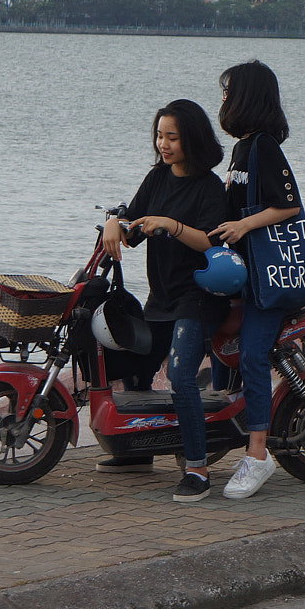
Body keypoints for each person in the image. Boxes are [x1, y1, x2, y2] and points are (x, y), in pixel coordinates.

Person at [100, 99, 229, 503]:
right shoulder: (157, 178)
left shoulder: (210, 187)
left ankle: (197, 469)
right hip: (162, 297)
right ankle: (137, 451)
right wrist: (114, 223)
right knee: (133, 367)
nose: (163, 144)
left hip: (198, 298)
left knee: (180, 377)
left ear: (191, 138)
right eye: (159, 136)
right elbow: (132, 223)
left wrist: (171, 226)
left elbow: (210, 240)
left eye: (172, 137)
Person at [210, 60, 304, 500]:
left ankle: (258, 455)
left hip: (267, 278)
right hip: (241, 275)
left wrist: (245, 228)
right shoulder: (241, 149)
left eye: (228, 92)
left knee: (250, 358)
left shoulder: (264, 147)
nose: (223, 100)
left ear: (246, 97)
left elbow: (289, 205)